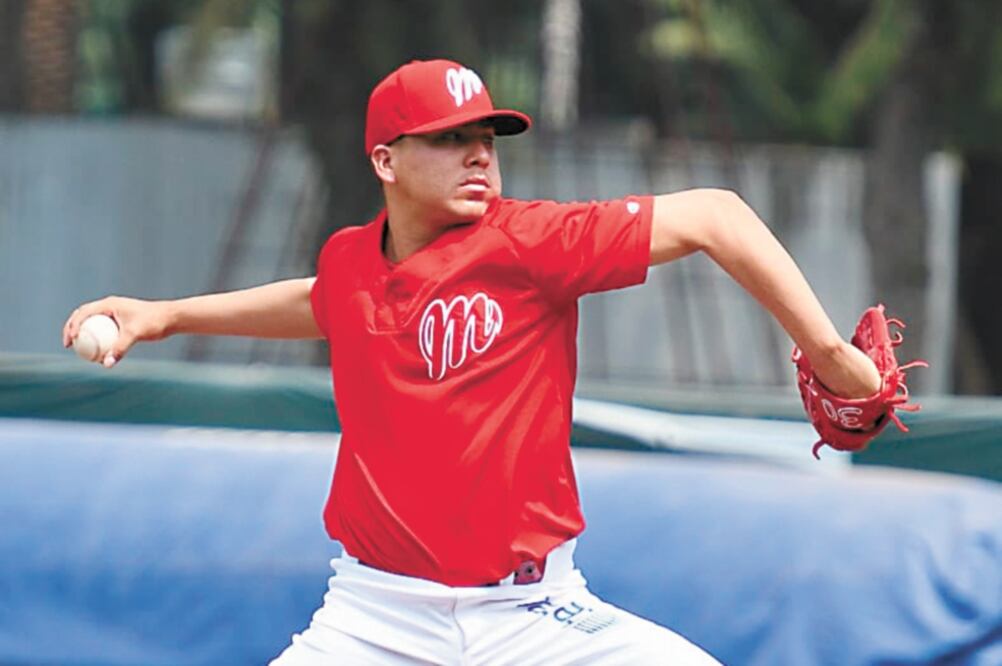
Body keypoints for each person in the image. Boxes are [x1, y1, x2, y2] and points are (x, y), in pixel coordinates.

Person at [63, 59, 881, 664]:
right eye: (449, 139)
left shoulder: (532, 243)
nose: (479, 154)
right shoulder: (352, 263)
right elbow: (320, 302)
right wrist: (165, 316)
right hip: (371, 619)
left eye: (486, 136)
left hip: (534, 616)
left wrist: (828, 350)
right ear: (385, 161)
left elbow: (717, 215)